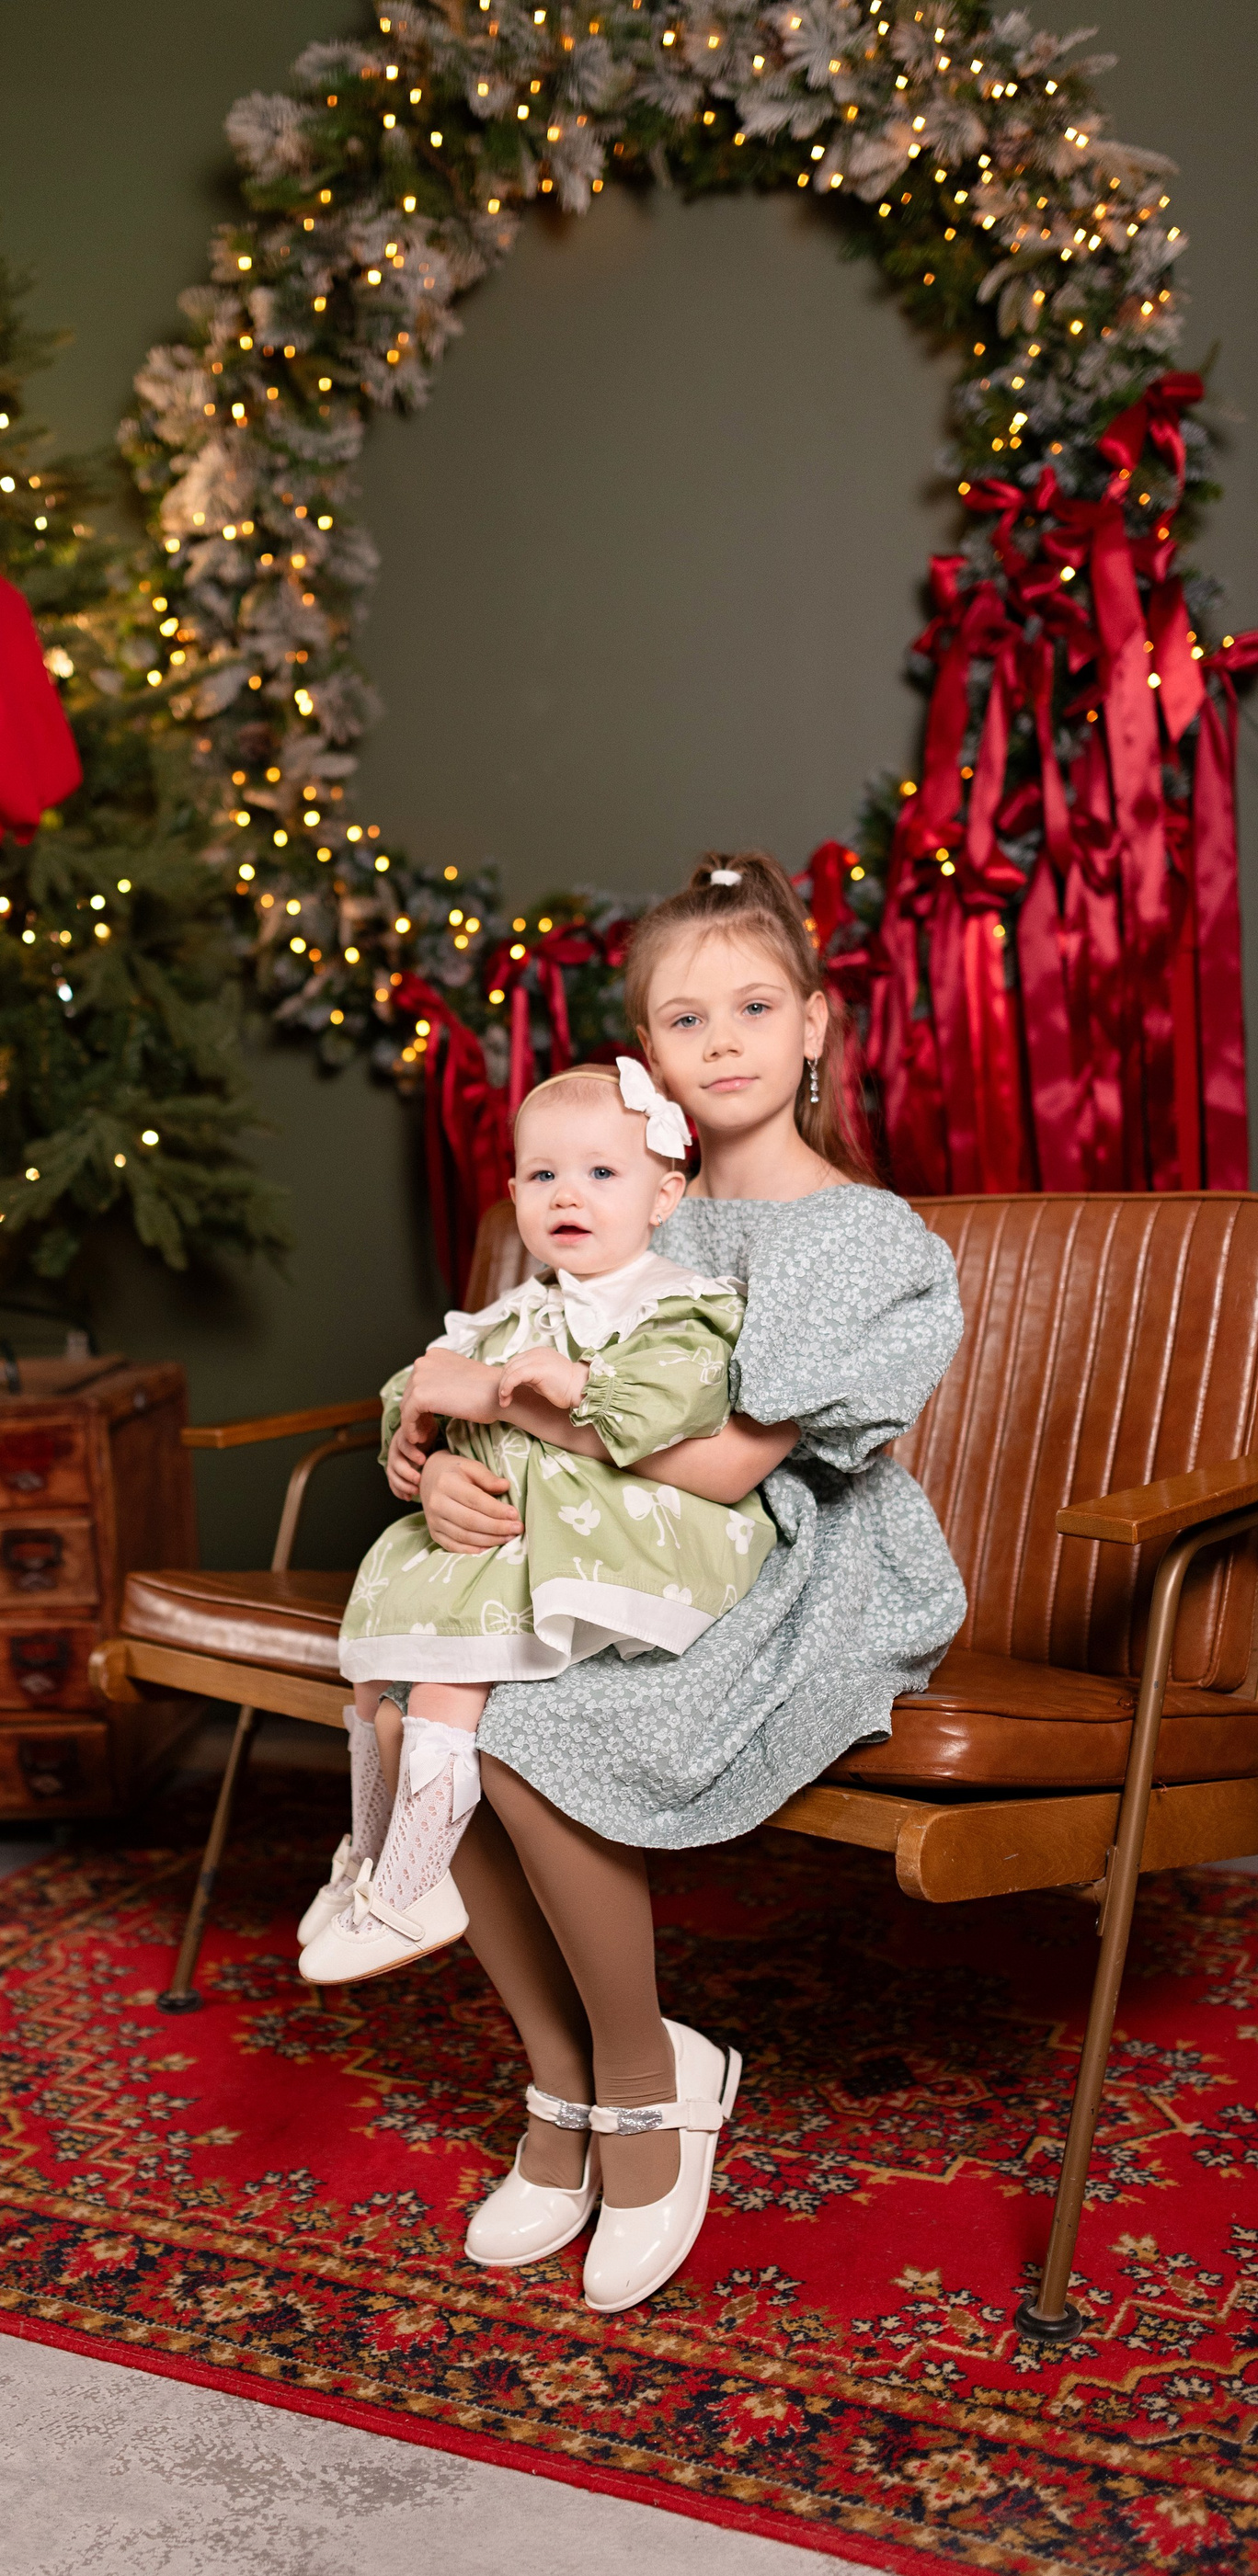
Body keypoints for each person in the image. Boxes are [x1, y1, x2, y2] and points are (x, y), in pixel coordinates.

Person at [383, 851, 965, 2317]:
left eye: (755, 1007)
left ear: (816, 1024)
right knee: (411, 1717)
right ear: (646, 1056)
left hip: (798, 1564)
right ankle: (563, 2082)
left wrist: (514, 1409)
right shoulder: (631, 1199)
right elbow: (495, 1369)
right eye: (686, 1019)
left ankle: (651, 2083)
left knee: (529, 1732)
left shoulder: (859, 1235)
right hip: (607, 1542)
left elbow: (726, 1467)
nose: (724, 1042)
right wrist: (443, 1467)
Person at [300, 1058, 777, 1989]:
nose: (569, 1194)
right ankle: (370, 1853)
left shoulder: (677, 1302)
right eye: (544, 1174)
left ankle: (415, 1884)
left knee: (452, 1672)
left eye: (602, 1172)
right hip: (526, 1525)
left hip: (631, 1533)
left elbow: (675, 1401)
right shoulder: (514, 1313)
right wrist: (416, 1441)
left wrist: (582, 1383)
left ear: (664, 1196)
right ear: (515, 1194)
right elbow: (424, 1378)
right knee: (374, 1673)